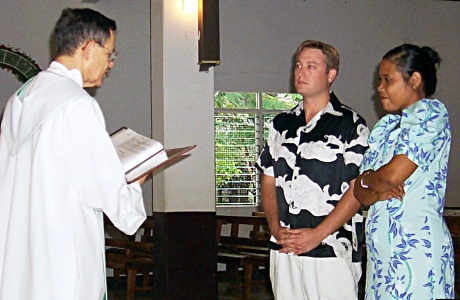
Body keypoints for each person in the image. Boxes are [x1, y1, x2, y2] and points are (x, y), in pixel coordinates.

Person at [0, 8, 149, 300]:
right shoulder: (76, 104)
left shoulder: (21, 99)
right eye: (110, 54)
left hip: (22, 261)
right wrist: (136, 181)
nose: (111, 64)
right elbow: (108, 194)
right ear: (89, 48)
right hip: (62, 266)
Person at [256, 40, 369, 300]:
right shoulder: (281, 124)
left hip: (331, 250)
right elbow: (268, 180)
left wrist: (317, 235)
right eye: (298, 65)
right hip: (284, 249)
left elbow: (358, 189)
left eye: (310, 66)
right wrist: (275, 229)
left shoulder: (351, 125)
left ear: (331, 75)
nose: (301, 72)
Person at [353, 44, 454, 299]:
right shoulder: (386, 127)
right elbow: (360, 193)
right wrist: (374, 188)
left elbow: (392, 175)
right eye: (380, 80)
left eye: (388, 80)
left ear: (415, 79)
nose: (380, 87)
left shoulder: (431, 114)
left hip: (417, 251)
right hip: (381, 255)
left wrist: (373, 180)